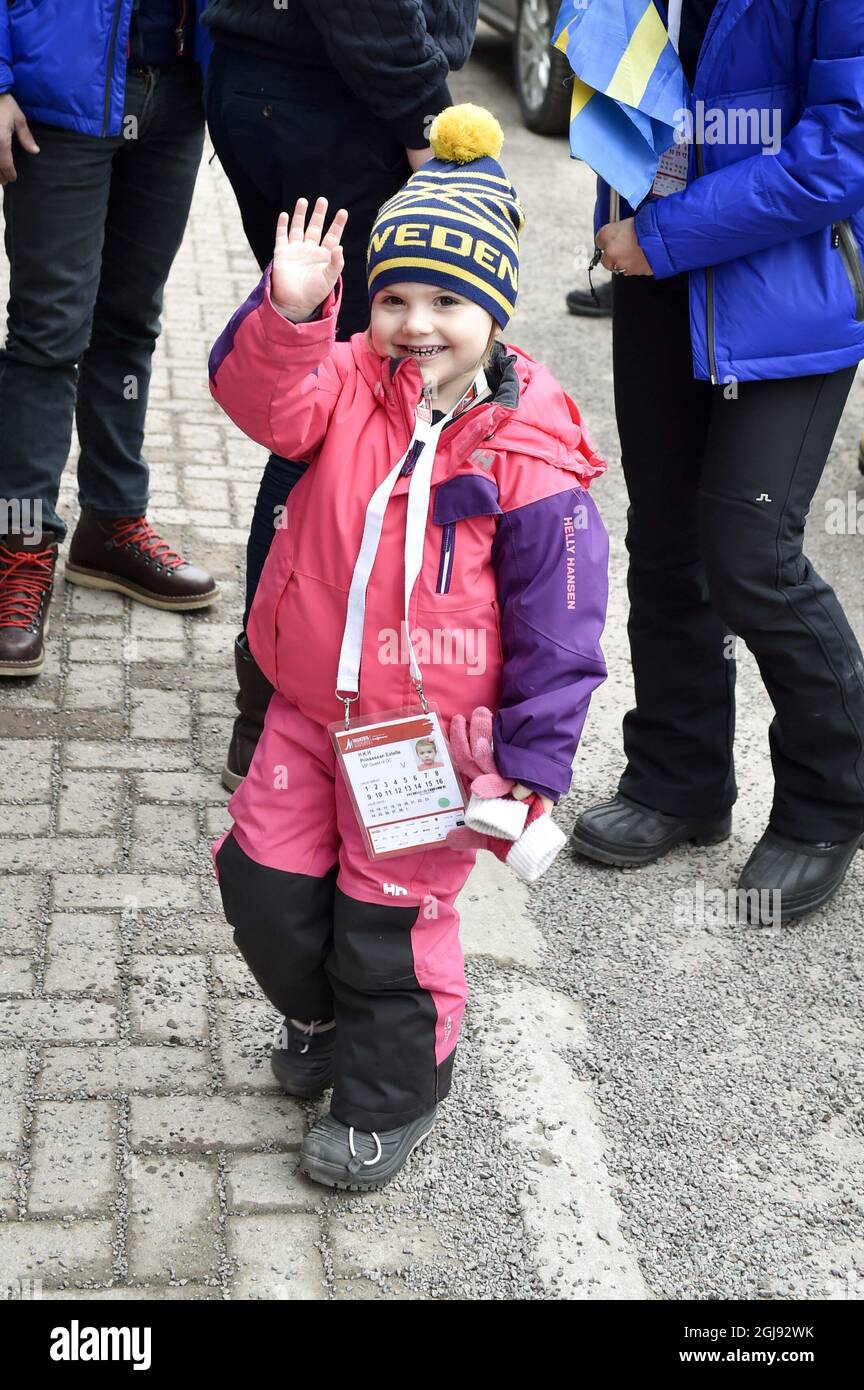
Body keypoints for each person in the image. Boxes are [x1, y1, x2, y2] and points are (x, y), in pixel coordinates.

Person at [208, 106, 609, 1189]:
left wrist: (529, 769)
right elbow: (261, 401)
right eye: (395, 297)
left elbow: (563, 633)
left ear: (496, 311)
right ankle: (322, 1015)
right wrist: (292, 316)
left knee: (390, 922)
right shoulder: (342, 382)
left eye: (448, 300)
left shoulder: (532, 453)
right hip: (305, 708)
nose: (417, 323)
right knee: (263, 881)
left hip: (425, 747)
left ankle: (393, 1093)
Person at [570, 0, 864, 924]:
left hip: (791, 289)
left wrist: (660, 236)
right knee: (664, 537)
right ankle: (678, 778)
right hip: (660, 282)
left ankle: (828, 805)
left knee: (751, 553)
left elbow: (843, 149)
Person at [201, 0, 481, 790]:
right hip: (342, 92)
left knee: (341, 385)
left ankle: (291, 690)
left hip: (299, 86)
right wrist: (428, 121)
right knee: (346, 403)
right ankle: (274, 703)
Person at [0, 0, 218, 680]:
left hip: (178, 88)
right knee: (46, 335)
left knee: (129, 322)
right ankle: (19, 542)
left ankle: (111, 523)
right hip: (55, 93)